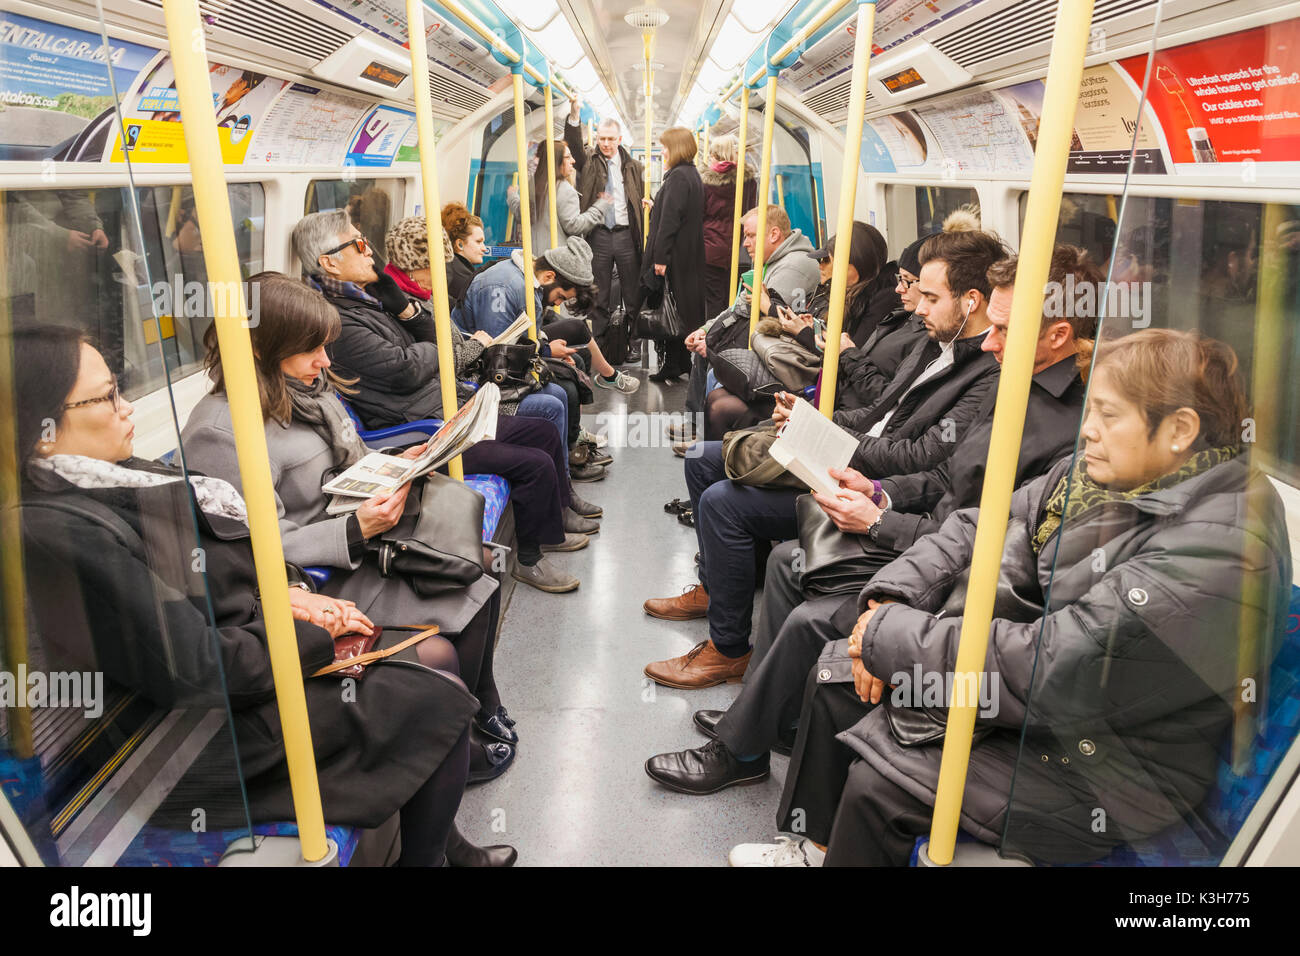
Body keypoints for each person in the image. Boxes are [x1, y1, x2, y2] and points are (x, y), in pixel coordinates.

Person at [741, 328, 1292, 866]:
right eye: (1091, 410)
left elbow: (1057, 665)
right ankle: (813, 848)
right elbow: (976, 526)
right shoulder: (1103, 475)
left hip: (1108, 765)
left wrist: (891, 638)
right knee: (838, 674)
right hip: (1049, 706)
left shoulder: (1220, 551)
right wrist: (887, 602)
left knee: (880, 785)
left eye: (1109, 414)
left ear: (1179, 429)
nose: (1088, 430)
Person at [14, 326, 516, 866]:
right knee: (430, 693)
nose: (127, 407)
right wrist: (306, 628)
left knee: (434, 656)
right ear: (42, 428)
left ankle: (439, 848)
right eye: (107, 395)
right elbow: (195, 666)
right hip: (191, 739)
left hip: (244, 654)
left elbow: (229, 569)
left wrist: (291, 596)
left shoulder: (122, 477)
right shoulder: (60, 533)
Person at [644, 245, 1101, 795]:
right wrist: (878, 493)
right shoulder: (1008, 377)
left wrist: (885, 521)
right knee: (791, 561)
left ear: (1057, 336)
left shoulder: (1066, 431)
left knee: (808, 609)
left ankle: (741, 747)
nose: (993, 341)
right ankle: (770, 716)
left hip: (956, 578)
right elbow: (944, 477)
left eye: (1006, 330)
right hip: (923, 530)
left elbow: (994, 542)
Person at [640, 229, 1008, 690]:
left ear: (970, 301)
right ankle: (716, 587)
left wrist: (830, 434)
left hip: (872, 479)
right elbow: (880, 412)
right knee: (703, 458)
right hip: (851, 451)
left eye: (930, 297)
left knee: (721, 502)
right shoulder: (935, 342)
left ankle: (728, 650)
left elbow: (923, 455)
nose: (917, 307)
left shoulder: (985, 371)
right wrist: (813, 415)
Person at [240, 254, 588, 594]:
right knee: (534, 462)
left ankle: (555, 517)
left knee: (541, 429)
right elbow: (411, 368)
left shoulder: (374, 306)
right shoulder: (343, 326)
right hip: (415, 419)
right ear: (328, 260)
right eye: (356, 246)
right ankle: (528, 560)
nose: (367, 251)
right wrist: (435, 351)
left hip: (437, 408)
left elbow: (434, 344)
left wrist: (407, 311)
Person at [381, 215, 611, 495]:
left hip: (466, 379)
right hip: (471, 384)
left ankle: (564, 480)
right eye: (436, 267)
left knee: (562, 386)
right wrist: (545, 352)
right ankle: (563, 482)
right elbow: (492, 355)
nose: (442, 276)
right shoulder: (496, 289)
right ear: (417, 267)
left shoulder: (422, 300)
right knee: (556, 397)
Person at [454, 233, 639, 397]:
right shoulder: (502, 287)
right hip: (478, 369)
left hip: (506, 356)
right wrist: (547, 352)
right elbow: (497, 352)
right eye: (560, 297)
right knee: (565, 388)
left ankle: (575, 432)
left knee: (578, 362)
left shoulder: (531, 284)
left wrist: (545, 350)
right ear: (549, 277)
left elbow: (526, 334)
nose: (557, 304)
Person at [565, 97, 646, 365]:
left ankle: (634, 344)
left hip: (625, 234)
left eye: (611, 139)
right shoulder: (589, 160)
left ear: (620, 139)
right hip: (599, 234)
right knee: (597, 293)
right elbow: (575, 147)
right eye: (602, 139)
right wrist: (574, 115)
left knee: (632, 294)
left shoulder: (634, 167)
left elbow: (637, 198)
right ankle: (598, 345)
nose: (606, 144)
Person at [642, 126, 706, 384]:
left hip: (675, 257)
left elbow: (670, 221)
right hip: (688, 255)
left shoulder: (678, 177)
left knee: (671, 310)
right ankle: (678, 362)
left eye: (665, 146)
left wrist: (660, 259)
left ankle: (675, 363)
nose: (662, 151)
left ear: (676, 148)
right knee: (682, 311)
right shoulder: (691, 175)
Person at [507, 140, 613, 254]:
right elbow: (573, 226)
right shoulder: (565, 190)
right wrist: (600, 206)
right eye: (568, 157)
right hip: (557, 258)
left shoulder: (533, 184)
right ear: (556, 162)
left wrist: (512, 196)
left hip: (535, 255)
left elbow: (521, 214)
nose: (573, 161)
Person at [441, 201, 488, 309]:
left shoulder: (451, 267)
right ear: (460, 244)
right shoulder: (464, 279)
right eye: (478, 242)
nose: (484, 248)